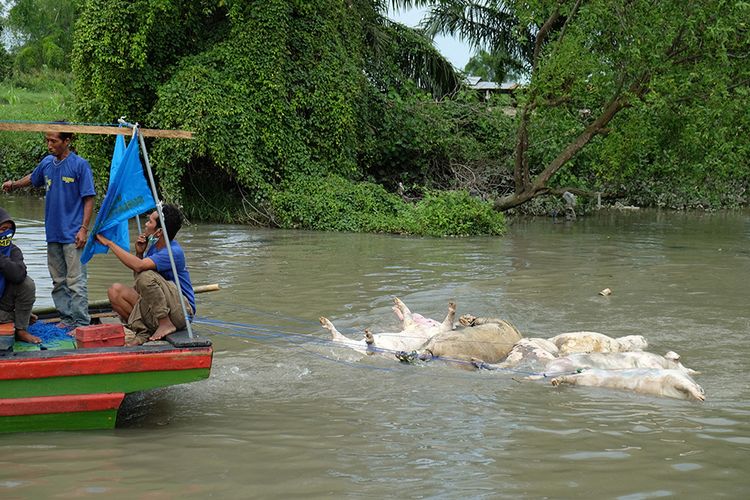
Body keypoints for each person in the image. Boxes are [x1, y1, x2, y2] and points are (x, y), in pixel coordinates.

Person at [2, 130, 95, 330]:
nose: (49, 145)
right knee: (58, 280)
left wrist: (84, 229)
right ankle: (67, 319)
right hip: (53, 233)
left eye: (53, 141)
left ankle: (81, 324)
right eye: (47, 141)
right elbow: (33, 178)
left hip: (73, 234)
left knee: (76, 282)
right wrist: (14, 185)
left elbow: (89, 198)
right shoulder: (47, 163)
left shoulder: (80, 165)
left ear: (67, 141)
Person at [96, 204, 195, 346]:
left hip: (181, 312)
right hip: (159, 306)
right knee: (115, 291)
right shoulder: (155, 247)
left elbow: (140, 269)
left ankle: (165, 323)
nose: (146, 224)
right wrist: (139, 253)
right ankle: (144, 331)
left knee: (145, 275)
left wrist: (110, 244)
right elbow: (139, 281)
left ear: (159, 232)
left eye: (150, 222)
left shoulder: (174, 251)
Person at [0, 207, 39, 344]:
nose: (6, 234)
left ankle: (21, 329)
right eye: (2, 229)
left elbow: (18, 275)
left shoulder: (13, 250)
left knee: (27, 283)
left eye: (8, 230)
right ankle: (21, 317)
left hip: (3, 303)